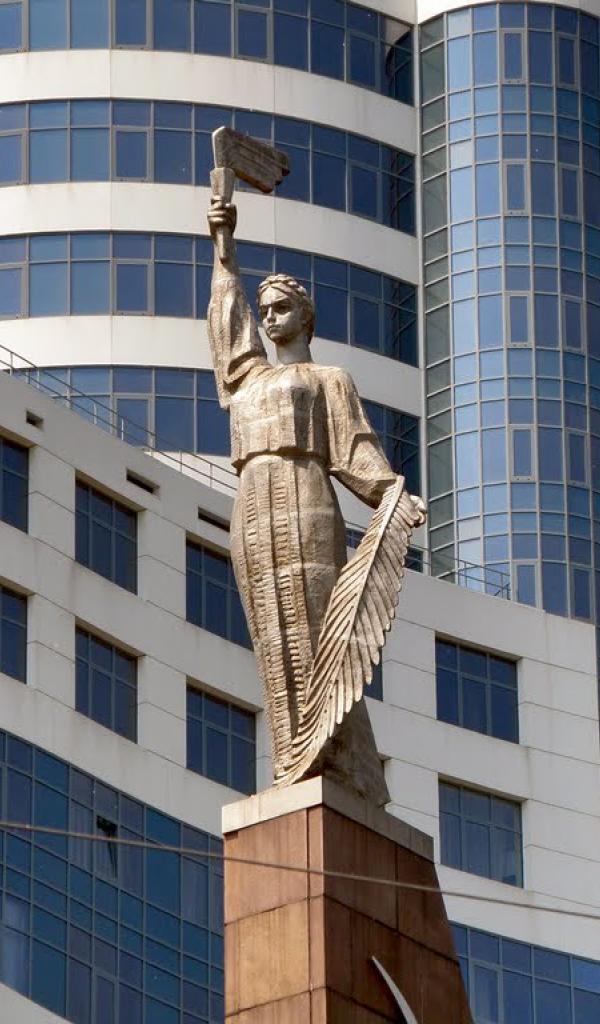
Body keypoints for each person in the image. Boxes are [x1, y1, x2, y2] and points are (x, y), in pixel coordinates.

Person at [207, 192, 423, 804]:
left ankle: (338, 759)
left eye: (282, 309)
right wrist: (224, 250)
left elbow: (354, 448)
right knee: (271, 631)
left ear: (306, 317)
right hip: (252, 503)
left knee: (318, 625)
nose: (269, 318)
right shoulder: (246, 379)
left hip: (307, 495)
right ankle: (293, 757)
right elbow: (228, 331)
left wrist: (391, 494)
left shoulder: (327, 380)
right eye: (265, 311)